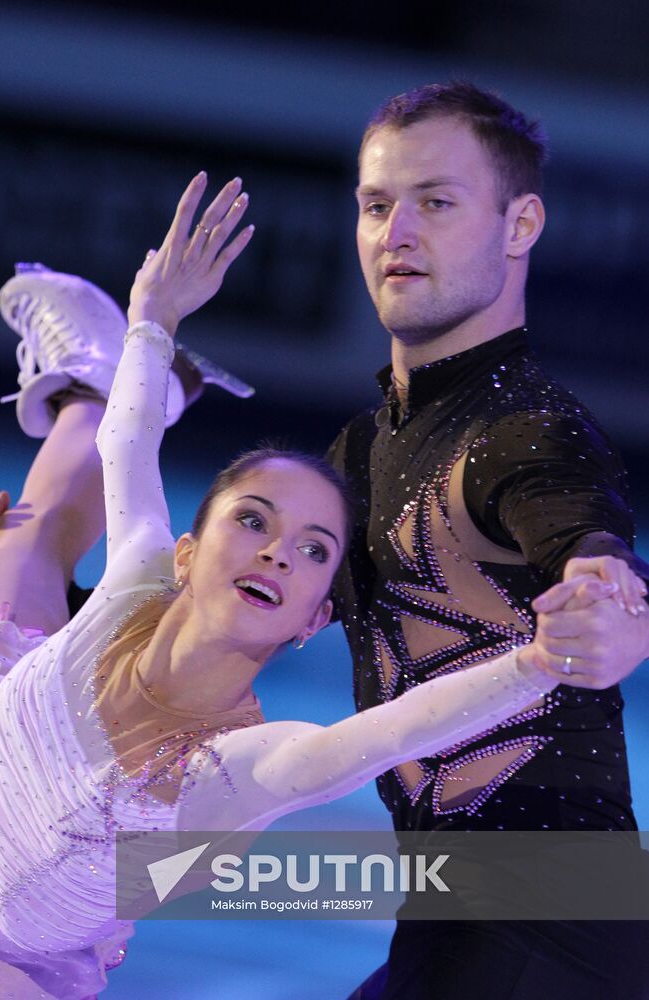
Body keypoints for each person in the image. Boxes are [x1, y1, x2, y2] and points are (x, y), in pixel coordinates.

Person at [0, 172, 621, 1000]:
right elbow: (128, 453)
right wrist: (153, 318)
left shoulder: (236, 768)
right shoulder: (136, 584)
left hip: (12, 959)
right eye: (252, 521)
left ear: (315, 618)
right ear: (185, 552)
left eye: (314, 549)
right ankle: (104, 372)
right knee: (16, 543)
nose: (277, 552)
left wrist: (540, 662)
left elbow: (393, 731)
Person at [328, 81, 649, 999]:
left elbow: (585, 538)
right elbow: (220, 626)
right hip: (454, 924)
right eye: (376, 204)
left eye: (436, 202)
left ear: (520, 225)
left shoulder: (524, 429)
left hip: (550, 936)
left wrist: (613, 610)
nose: (395, 233)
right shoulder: (358, 449)